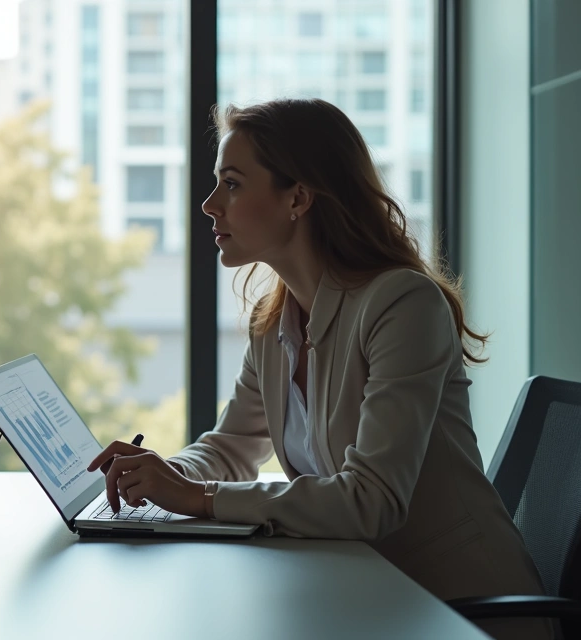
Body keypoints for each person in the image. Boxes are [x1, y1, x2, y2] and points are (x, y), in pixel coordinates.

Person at [87, 99, 548, 639]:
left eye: (232, 184)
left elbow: (370, 500)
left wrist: (199, 498)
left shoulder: (402, 305)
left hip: (459, 611)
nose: (210, 205)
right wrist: (163, 473)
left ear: (298, 198)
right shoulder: (275, 321)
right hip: (364, 594)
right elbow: (230, 448)